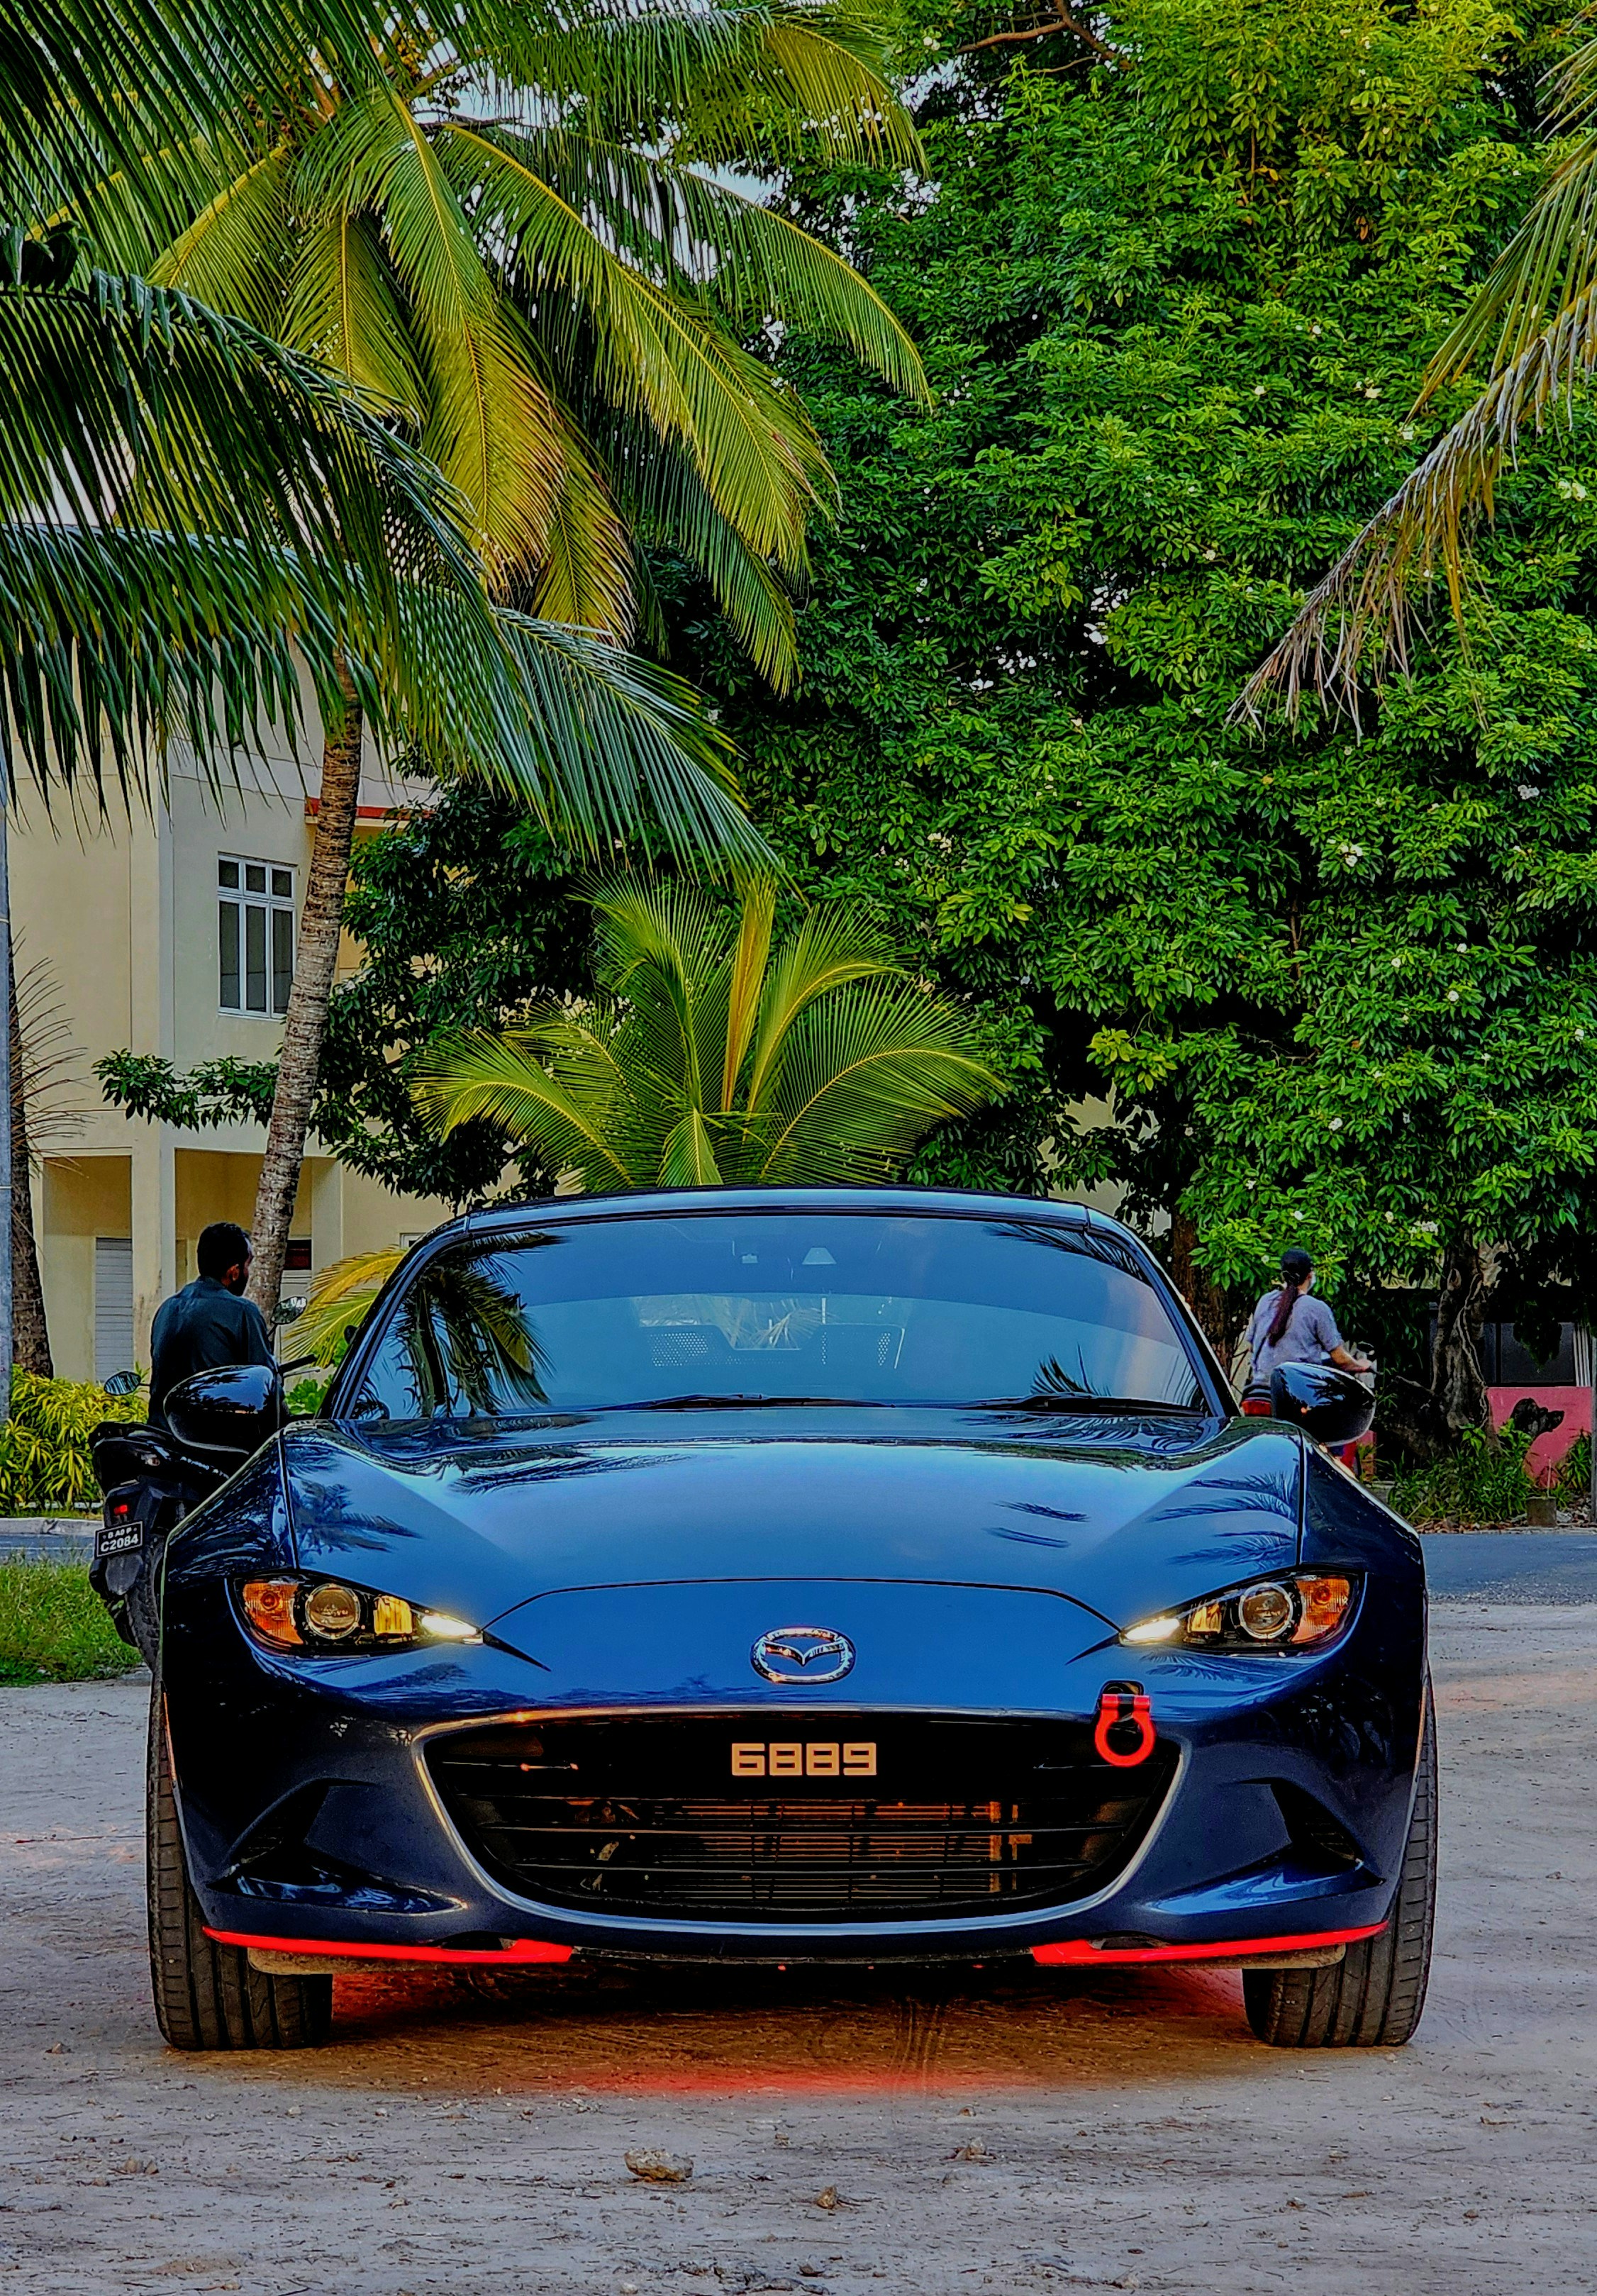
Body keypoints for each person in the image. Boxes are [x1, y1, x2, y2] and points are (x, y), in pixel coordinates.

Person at [148, 1220, 275, 1429]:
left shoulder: (167, 1309)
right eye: (247, 1265)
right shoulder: (242, 1312)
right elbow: (266, 1388)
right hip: (216, 1443)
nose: (247, 1272)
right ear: (234, 1272)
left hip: (163, 1434)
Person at [1241, 1247, 1371, 1415]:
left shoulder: (1265, 1301)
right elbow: (1339, 1358)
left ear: (1283, 1275)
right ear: (1310, 1275)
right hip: (1296, 1395)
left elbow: (1252, 1346)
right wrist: (1360, 1365)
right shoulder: (1316, 1308)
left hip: (1258, 1392)